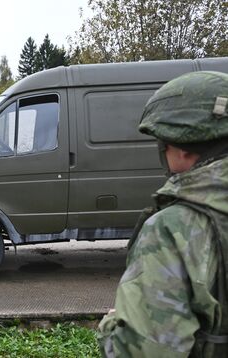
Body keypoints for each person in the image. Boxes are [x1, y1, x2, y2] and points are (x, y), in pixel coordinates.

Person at [98, 71, 228, 357]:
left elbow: (143, 351)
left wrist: (111, 325)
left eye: (164, 146)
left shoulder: (174, 228)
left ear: (180, 148)